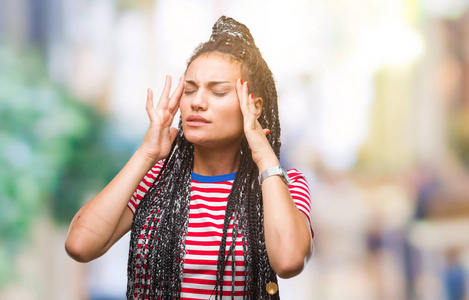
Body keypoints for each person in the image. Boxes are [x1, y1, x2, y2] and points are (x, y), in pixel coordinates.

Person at [65, 16, 313, 299]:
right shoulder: (154, 181)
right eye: (191, 89)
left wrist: (263, 154)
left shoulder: (284, 185)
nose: (197, 101)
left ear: (253, 106)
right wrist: (146, 154)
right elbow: (80, 245)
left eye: (218, 91)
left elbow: (289, 261)